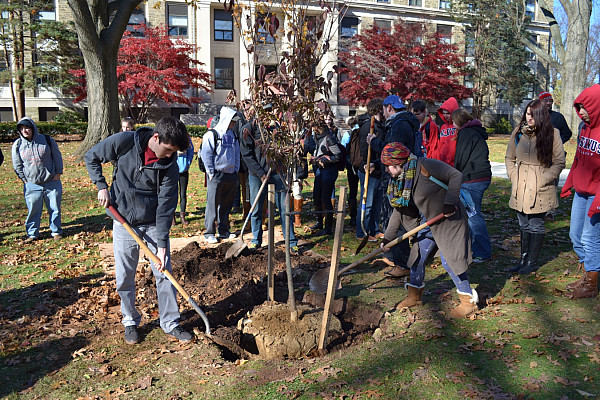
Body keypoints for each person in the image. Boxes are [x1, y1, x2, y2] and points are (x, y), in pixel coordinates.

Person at [85, 116, 193, 344]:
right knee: (124, 275)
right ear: (156, 137)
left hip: (152, 223)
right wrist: (101, 186)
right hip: (122, 219)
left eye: (174, 152)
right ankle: (130, 321)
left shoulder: (169, 166)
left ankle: (170, 322)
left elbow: (166, 205)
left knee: (164, 273)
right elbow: (91, 157)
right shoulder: (125, 142)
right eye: (168, 149)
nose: (170, 155)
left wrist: (162, 245)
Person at [379, 142, 478, 318]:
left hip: (449, 218)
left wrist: (449, 202)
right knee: (416, 257)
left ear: (399, 163)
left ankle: (468, 302)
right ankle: (414, 297)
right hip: (429, 221)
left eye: (389, 167)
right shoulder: (400, 181)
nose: (387, 171)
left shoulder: (426, 166)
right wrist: (388, 239)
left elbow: (456, 175)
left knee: (451, 260)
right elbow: (399, 210)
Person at [505, 99, 565, 274]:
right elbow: (509, 158)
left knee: (536, 224)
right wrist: (514, 176)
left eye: (533, 114)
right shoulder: (518, 132)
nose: (528, 117)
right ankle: (523, 260)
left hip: (540, 187)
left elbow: (559, 162)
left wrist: (543, 179)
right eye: (527, 113)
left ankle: (532, 262)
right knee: (523, 224)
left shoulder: (553, 134)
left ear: (541, 115)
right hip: (520, 185)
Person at [368, 95, 421, 276]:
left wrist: (373, 142)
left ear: (389, 107)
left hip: (400, 178)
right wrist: (377, 162)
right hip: (399, 174)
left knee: (396, 219)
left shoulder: (399, 125)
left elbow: (392, 150)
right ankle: (401, 259)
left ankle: (402, 263)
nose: (382, 113)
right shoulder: (402, 123)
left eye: (383, 109)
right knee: (398, 218)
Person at [240, 106, 300, 254]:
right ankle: (256, 240)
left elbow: (285, 148)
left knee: (284, 207)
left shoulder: (277, 128)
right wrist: (260, 173)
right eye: (266, 112)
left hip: (276, 173)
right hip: (256, 175)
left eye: (272, 111)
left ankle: (291, 241)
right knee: (256, 208)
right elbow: (247, 155)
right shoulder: (249, 129)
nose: (270, 114)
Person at [560, 84, 600, 298]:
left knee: (590, 238)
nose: (581, 112)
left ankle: (592, 285)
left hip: (597, 194)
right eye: (579, 107)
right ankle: (586, 274)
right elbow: (578, 159)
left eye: (585, 107)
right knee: (575, 235)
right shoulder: (584, 128)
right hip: (581, 192)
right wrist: (569, 184)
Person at [12, 117, 64, 242]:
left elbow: (57, 156)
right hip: (32, 185)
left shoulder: (46, 140)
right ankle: (32, 234)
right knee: (33, 210)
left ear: (33, 128)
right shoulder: (18, 144)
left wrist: (58, 172)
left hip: (51, 182)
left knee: (54, 208)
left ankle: (56, 231)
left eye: (27, 128)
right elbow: (17, 164)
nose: (25, 131)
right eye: (22, 129)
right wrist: (24, 180)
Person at [452, 108, 492, 262]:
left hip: (472, 179)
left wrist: (454, 175)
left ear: (458, 121)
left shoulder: (465, 133)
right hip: (482, 177)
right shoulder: (476, 131)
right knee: (469, 214)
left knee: (473, 215)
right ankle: (472, 247)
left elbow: (460, 158)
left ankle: (482, 251)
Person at [200, 106, 240, 244]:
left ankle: (223, 230)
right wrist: (210, 172)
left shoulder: (232, 135)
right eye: (232, 121)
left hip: (230, 174)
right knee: (212, 204)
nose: (234, 123)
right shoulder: (212, 135)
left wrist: (235, 168)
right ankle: (209, 232)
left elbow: (236, 153)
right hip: (216, 175)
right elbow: (206, 154)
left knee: (226, 205)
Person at [539, 91, 572, 222]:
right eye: (546, 100)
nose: (548, 103)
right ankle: (538, 208)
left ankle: (550, 211)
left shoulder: (558, 117)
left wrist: (557, 143)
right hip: (537, 156)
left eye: (550, 101)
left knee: (552, 183)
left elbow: (567, 133)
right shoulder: (535, 115)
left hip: (554, 157)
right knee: (538, 182)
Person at [356, 98, 385, 241]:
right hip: (369, 169)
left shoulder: (382, 126)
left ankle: (374, 229)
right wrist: (369, 164)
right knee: (367, 202)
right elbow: (363, 148)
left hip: (379, 169)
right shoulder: (368, 126)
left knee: (377, 203)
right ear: (379, 109)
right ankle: (362, 232)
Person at [310, 119, 342, 235]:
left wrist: (326, 160)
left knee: (326, 198)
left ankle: (328, 228)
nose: (313, 131)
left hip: (329, 172)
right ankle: (319, 222)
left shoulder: (329, 138)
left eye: (314, 128)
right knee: (316, 196)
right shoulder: (317, 138)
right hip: (320, 170)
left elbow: (338, 156)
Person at [429, 97, 459, 166]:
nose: (445, 115)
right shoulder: (443, 127)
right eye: (443, 113)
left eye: (448, 113)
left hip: (454, 163)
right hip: (443, 163)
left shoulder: (458, 126)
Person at [341, 116, 359, 229]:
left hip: (351, 165)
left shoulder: (347, 134)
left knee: (353, 192)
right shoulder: (362, 131)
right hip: (362, 165)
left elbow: (343, 149)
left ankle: (353, 218)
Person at [174, 133, 194, 225]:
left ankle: (182, 215)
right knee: (172, 194)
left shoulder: (187, 139)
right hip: (173, 170)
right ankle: (172, 216)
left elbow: (191, 151)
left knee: (183, 193)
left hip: (184, 170)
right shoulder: (173, 138)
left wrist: (188, 163)